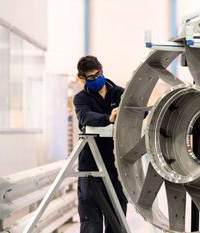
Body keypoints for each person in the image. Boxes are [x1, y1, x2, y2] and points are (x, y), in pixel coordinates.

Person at [73, 55, 127, 233]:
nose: (97, 79)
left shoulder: (120, 93)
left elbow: (137, 111)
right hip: (91, 164)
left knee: (117, 214)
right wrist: (108, 118)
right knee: (91, 217)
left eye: (98, 74)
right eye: (91, 77)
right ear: (81, 78)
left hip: (114, 163)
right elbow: (85, 117)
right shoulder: (81, 99)